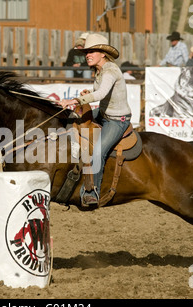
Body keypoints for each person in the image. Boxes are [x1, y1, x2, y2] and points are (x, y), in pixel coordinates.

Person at [57, 33, 132, 206]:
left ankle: (92, 193)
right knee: (73, 120)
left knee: (98, 152)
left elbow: (101, 93)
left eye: (92, 51)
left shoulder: (111, 70)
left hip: (117, 120)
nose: (87, 55)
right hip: (104, 113)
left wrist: (74, 100)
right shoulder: (100, 70)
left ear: (103, 54)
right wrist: (86, 95)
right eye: (86, 52)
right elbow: (98, 94)